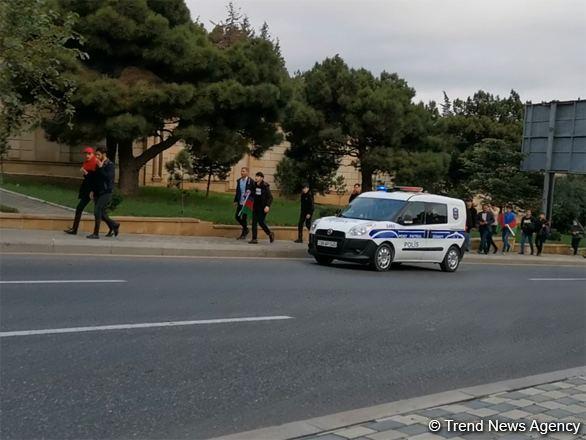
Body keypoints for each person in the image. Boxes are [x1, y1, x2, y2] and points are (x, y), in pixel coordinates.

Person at [87, 146, 119, 239]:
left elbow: (108, 178)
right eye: (96, 154)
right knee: (102, 213)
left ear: (104, 154)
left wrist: (101, 167)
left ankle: (96, 234)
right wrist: (92, 190)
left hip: (106, 191)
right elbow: (95, 178)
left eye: (98, 155)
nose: (96, 156)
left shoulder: (110, 164)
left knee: (97, 211)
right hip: (97, 191)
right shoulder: (97, 163)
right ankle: (114, 225)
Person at [64, 147, 97, 235]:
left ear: (93, 154)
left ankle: (74, 229)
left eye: (89, 154)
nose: (87, 156)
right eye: (86, 154)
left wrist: (85, 172)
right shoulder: (87, 163)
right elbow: (88, 178)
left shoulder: (94, 163)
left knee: (81, 208)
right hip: (86, 189)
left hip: (91, 191)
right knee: (99, 211)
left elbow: (94, 179)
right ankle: (113, 225)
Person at [249, 172, 274, 244]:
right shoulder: (254, 185)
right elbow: (251, 192)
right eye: (256, 176)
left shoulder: (265, 186)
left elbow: (270, 197)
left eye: (258, 176)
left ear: (262, 178)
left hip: (263, 207)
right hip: (255, 206)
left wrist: (267, 206)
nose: (256, 177)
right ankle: (254, 239)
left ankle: (270, 233)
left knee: (261, 222)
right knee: (254, 222)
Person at [233, 167, 254, 240]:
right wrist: (235, 201)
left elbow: (253, 192)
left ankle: (243, 234)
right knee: (237, 216)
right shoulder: (239, 181)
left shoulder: (250, 181)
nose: (242, 173)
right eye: (241, 171)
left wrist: (251, 200)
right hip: (240, 202)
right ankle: (246, 229)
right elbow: (237, 191)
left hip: (247, 203)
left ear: (247, 172)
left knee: (244, 218)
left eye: (243, 171)